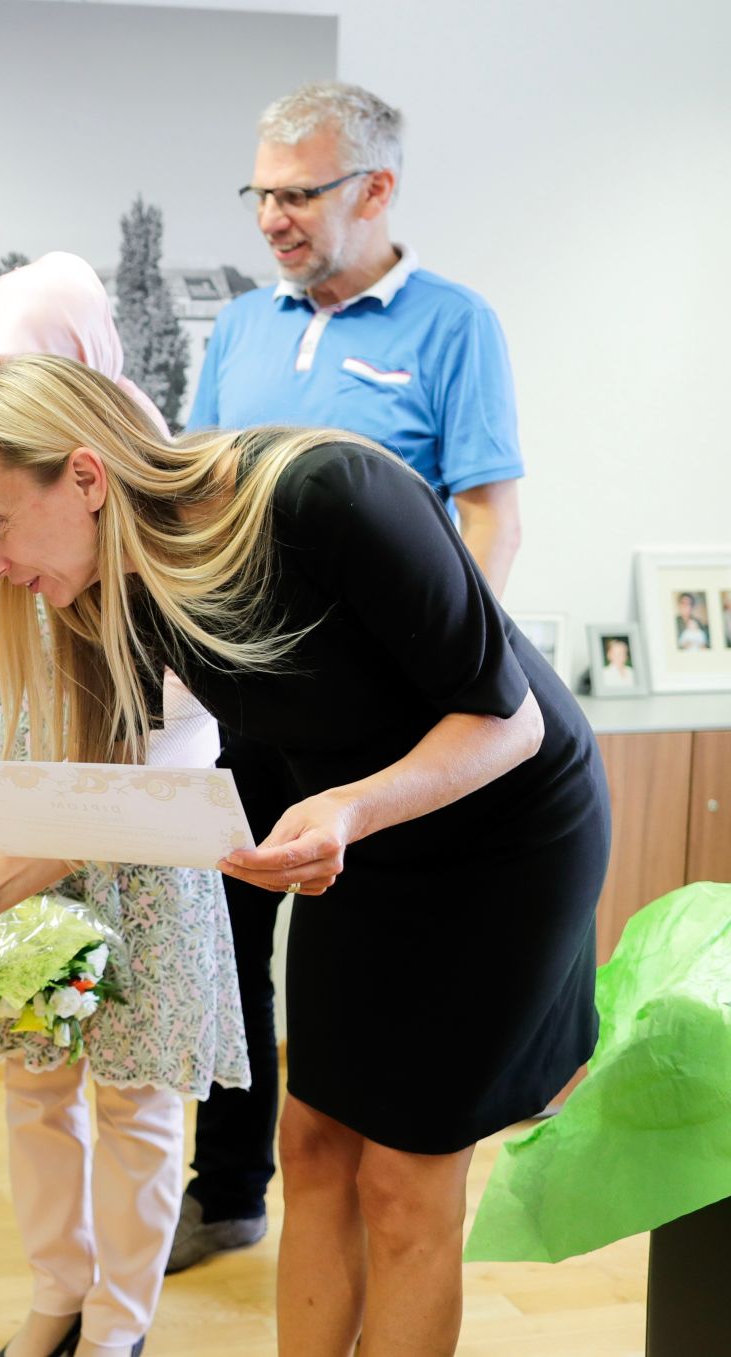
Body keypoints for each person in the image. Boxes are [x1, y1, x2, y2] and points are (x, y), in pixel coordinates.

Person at [0, 354, 608, 1357]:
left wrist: (348, 811)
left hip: (499, 837)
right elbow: (103, 804)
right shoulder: (115, 581)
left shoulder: (327, 496)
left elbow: (508, 724)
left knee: (404, 1185)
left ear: (85, 476)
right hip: (354, 836)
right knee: (313, 1146)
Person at [176, 81, 527, 1271]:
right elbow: (192, 503)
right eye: (259, 193)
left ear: (374, 189)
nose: (270, 217)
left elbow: (489, 516)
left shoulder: (450, 324)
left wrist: (453, 672)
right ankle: (226, 1186)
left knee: (358, 955)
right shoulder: (240, 328)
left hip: (384, 724)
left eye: (296, 193)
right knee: (229, 940)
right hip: (249, 706)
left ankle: (375, 1164)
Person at [0, 254, 246, 1357]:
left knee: (139, 1102)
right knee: (33, 1078)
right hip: (9, 831)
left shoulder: (167, 517)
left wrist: (21, 828)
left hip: (137, 839)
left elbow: (185, 726)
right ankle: (56, 1292)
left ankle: (118, 1322)